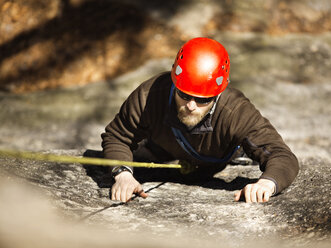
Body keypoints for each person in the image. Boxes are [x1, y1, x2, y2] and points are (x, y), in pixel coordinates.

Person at [101, 37, 299, 203]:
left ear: (218, 94)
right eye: (184, 95)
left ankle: (238, 154)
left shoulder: (235, 111)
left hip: (216, 156)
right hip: (159, 146)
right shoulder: (149, 95)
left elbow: (281, 155)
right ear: (174, 82)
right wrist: (123, 174)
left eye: (203, 99)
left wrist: (268, 183)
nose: (191, 105)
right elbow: (118, 135)